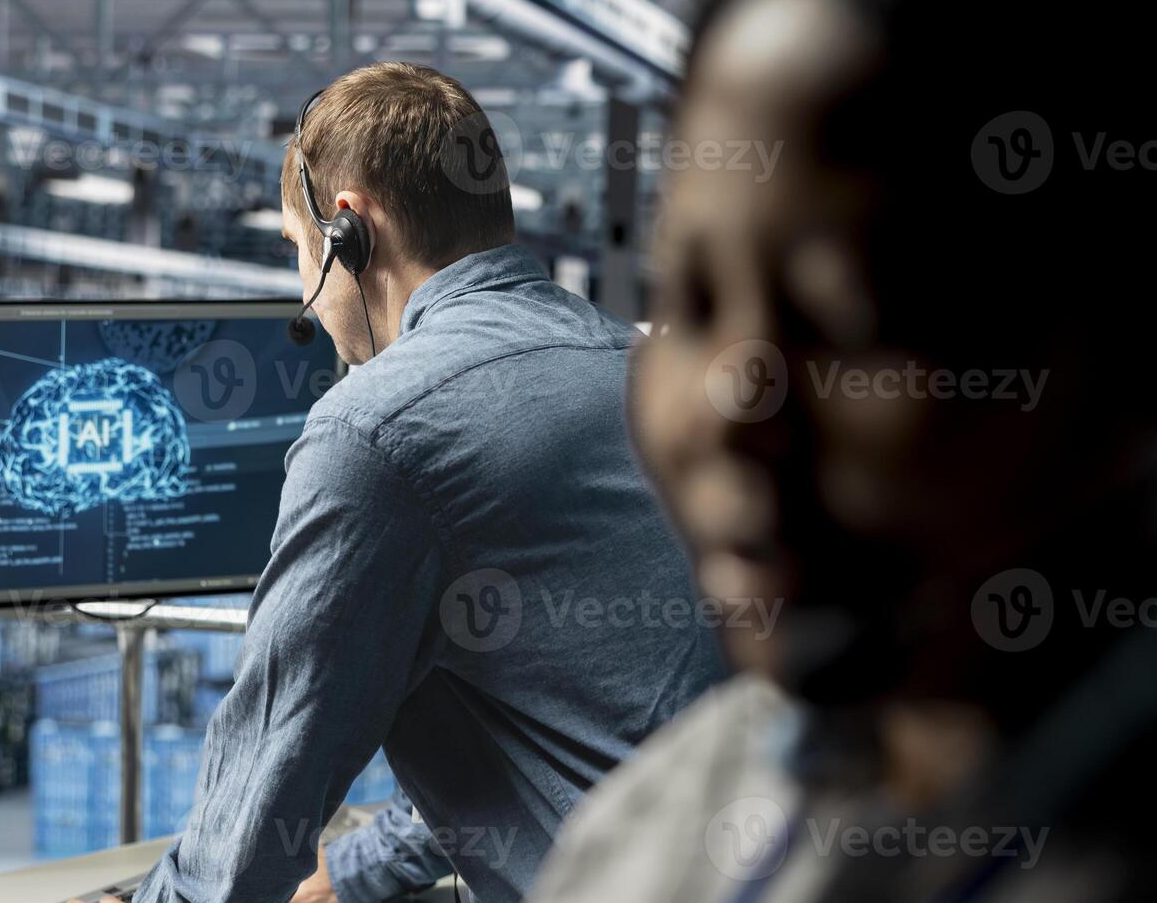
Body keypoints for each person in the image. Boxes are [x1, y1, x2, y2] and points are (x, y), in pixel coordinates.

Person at [527, 0, 1157, 903]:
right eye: (693, 300)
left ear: (1146, 327)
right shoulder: (672, 814)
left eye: (849, 322)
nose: (730, 404)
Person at [126, 62, 723, 903]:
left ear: (348, 231)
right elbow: (564, 718)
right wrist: (355, 873)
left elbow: (253, 821)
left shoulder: (377, 430)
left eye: (299, 253)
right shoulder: (648, 368)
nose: (307, 288)